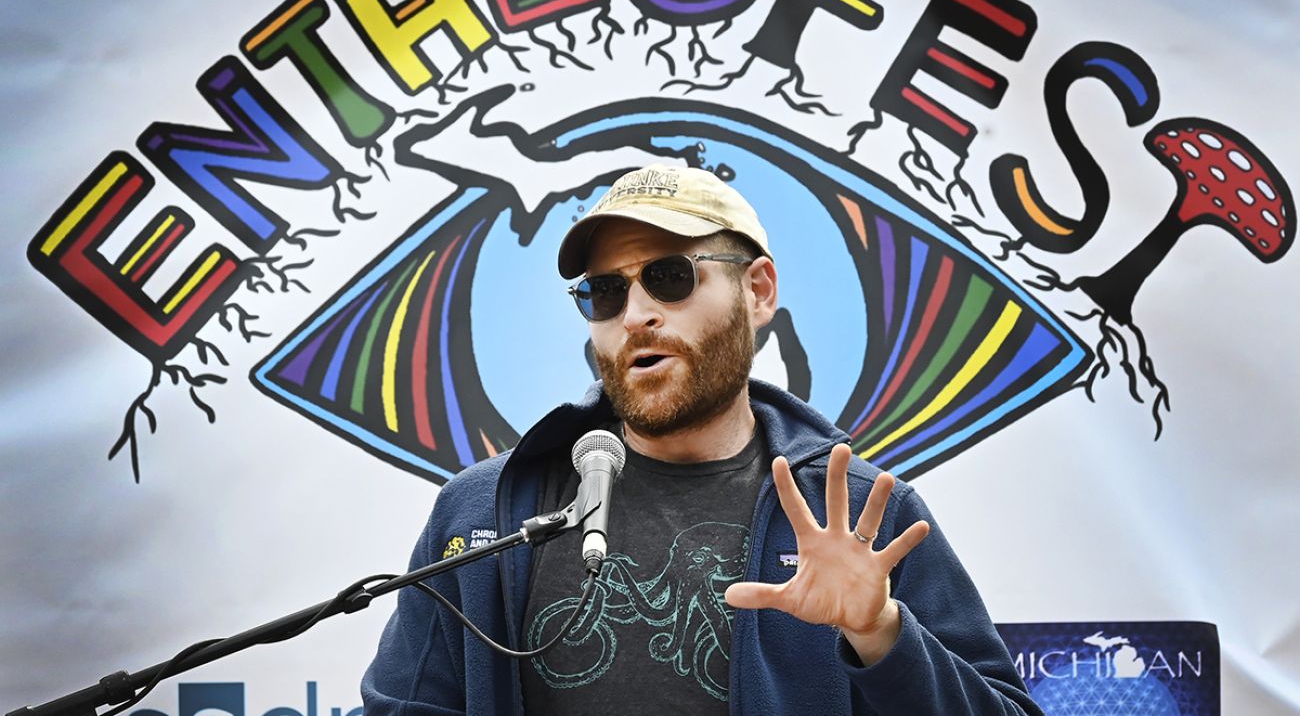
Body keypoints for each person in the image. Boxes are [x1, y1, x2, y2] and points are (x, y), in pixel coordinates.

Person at [362, 164, 1041, 715]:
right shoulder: (484, 510)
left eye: (669, 275)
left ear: (759, 290)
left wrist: (880, 632)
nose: (635, 315)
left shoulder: (861, 516)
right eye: (603, 291)